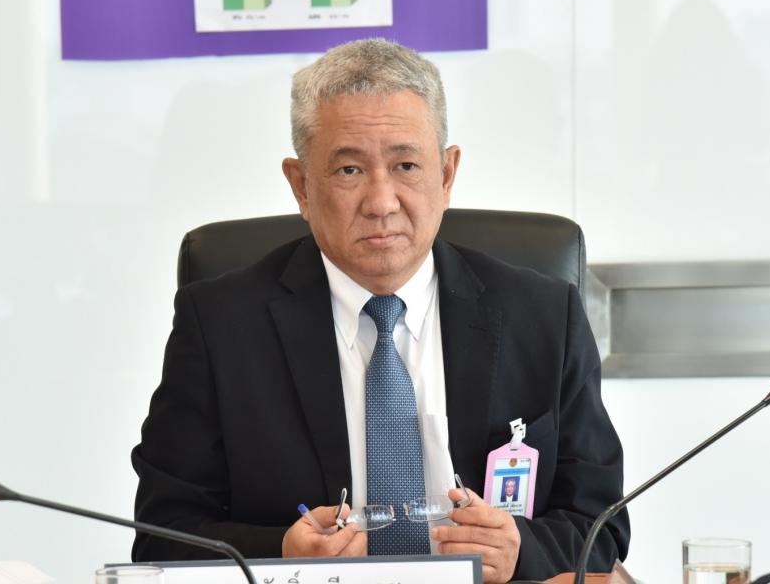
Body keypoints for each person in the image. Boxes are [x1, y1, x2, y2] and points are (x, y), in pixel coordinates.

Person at [131, 38, 629, 583]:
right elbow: (163, 534)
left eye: (406, 165)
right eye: (349, 170)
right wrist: (281, 555)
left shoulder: (543, 316)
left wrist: (520, 552)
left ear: (447, 174)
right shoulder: (220, 325)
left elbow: (601, 525)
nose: (381, 202)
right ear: (301, 185)